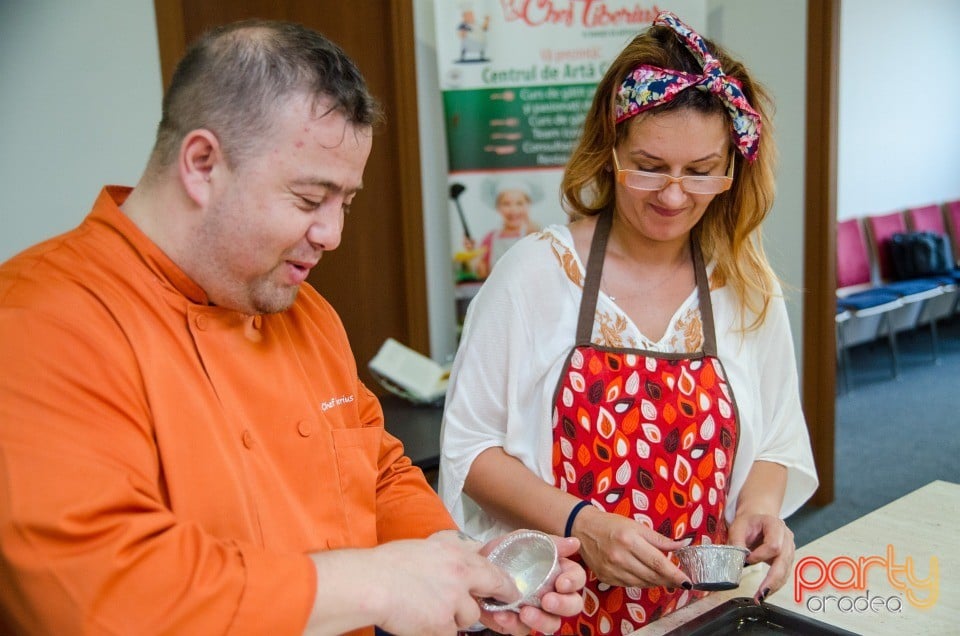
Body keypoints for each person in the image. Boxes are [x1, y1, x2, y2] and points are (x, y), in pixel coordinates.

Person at [0, 20, 586, 636]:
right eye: (310, 199)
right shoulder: (41, 320)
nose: (332, 235)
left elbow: (376, 470)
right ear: (202, 164)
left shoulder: (303, 311)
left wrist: (459, 561)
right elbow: (98, 590)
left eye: (346, 203)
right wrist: (378, 584)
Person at [440, 11, 818, 633]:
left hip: (699, 610)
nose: (672, 196)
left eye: (701, 171)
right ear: (609, 149)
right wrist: (581, 524)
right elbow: (469, 449)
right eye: (649, 165)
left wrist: (759, 507)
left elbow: (776, 438)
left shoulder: (746, 290)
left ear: (733, 166)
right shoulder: (536, 274)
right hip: (555, 609)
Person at [463, 178, 543, 281]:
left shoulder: (534, 234)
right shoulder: (490, 238)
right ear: (497, 207)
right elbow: (482, 273)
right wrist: (472, 253)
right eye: (506, 204)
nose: (513, 210)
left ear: (528, 205)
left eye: (519, 203)